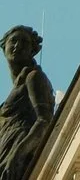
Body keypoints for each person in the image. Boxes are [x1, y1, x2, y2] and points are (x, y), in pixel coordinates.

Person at [0, 30, 53, 180]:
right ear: (4, 48)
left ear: (32, 50)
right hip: (5, 151)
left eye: (24, 42)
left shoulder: (34, 77)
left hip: (22, 150)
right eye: (14, 41)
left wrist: (18, 155)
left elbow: (45, 121)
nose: (18, 45)